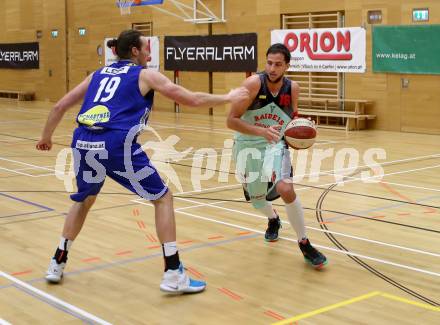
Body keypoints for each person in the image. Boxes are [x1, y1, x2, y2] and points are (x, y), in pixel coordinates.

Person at [36, 29, 249, 293]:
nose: (149, 53)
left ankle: (56, 263)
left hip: (83, 143)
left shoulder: (97, 74)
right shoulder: (144, 74)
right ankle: (173, 272)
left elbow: (59, 106)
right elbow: (190, 98)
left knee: (84, 200)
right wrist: (228, 98)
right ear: (135, 51)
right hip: (116, 144)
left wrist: (46, 137)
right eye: (147, 48)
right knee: (163, 198)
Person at [226, 43, 327, 269]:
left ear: (287, 66)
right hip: (247, 145)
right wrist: (260, 131)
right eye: (269, 63)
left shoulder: (293, 88)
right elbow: (230, 120)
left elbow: (292, 117)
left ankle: (304, 242)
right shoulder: (252, 84)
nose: (272, 68)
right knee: (257, 200)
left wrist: (303, 126)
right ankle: (273, 219)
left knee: (285, 188)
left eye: (278, 64)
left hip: (275, 144)